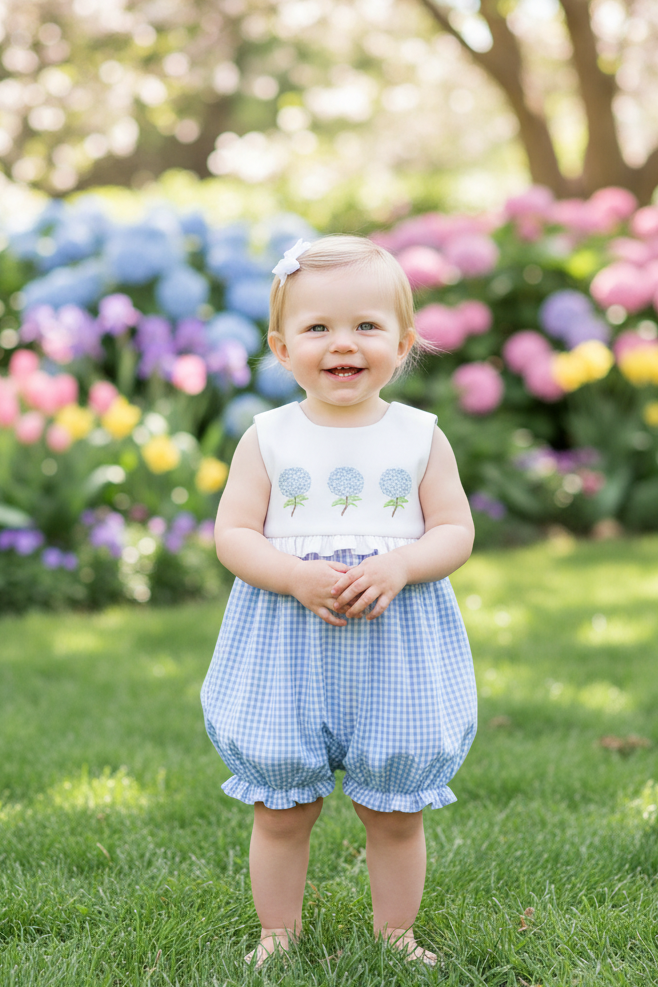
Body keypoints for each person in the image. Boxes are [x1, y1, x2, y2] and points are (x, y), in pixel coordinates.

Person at [201, 234, 477, 968]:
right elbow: (233, 532)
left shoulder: (419, 436)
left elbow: (455, 529)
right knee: (282, 805)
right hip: (289, 636)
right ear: (281, 346)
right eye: (318, 327)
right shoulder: (269, 437)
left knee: (395, 809)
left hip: (396, 638)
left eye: (365, 326)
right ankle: (277, 932)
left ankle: (396, 932)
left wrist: (403, 562)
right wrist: (291, 574)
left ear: (404, 342)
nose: (341, 343)